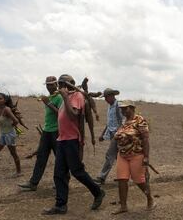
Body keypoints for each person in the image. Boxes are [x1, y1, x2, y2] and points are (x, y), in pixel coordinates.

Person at [42, 74, 105, 215]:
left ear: (72, 83)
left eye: (64, 83)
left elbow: (73, 116)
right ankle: (60, 205)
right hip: (62, 139)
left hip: (72, 140)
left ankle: (98, 191)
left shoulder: (77, 96)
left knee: (77, 171)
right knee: (59, 174)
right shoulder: (66, 97)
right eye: (60, 84)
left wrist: (65, 97)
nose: (61, 86)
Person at [18, 76, 63, 191]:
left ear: (56, 84)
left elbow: (61, 115)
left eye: (51, 84)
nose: (49, 87)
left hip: (57, 131)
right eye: (47, 85)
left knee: (60, 159)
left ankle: (62, 182)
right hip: (47, 131)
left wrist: (48, 103)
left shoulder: (59, 98)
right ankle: (33, 183)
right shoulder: (49, 97)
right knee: (41, 157)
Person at [111, 100, 155, 215]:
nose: (123, 110)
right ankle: (123, 206)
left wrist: (146, 157)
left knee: (139, 181)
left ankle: (150, 199)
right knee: (122, 180)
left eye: (125, 108)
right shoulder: (124, 121)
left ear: (132, 108)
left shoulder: (140, 120)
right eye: (121, 108)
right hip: (122, 155)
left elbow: (145, 139)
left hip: (137, 155)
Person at [94, 88, 123, 185]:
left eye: (106, 97)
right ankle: (123, 176)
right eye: (105, 97)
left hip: (117, 134)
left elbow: (122, 121)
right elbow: (109, 122)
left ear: (112, 96)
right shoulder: (110, 106)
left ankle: (102, 177)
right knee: (119, 157)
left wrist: (118, 134)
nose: (105, 99)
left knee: (109, 155)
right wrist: (103, 134)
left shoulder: (118, 106)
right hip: (112, 134)